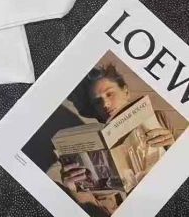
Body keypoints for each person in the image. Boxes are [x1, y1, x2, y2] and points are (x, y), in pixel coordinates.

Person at [59, 63, 175, 214]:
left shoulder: (158, 118)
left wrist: (174, 148)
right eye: (97, 101)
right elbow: (97, 210)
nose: (105, 104)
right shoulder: (93, 144)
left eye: (109, 94)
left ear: (125, 91)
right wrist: (75, 189)